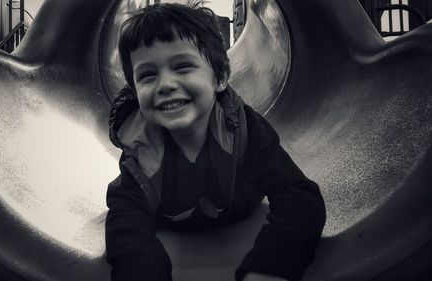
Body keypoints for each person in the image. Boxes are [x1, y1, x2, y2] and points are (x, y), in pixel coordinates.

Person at [105, 2, 326, 281]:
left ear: (219, 78)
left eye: (182, 67)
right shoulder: (140, 149)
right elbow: (126, 223)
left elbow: (300, 197)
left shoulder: (242, 130)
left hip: (241, 213)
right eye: (148, 75)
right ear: (134, 91)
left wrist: (270, 266)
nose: (165, 84)